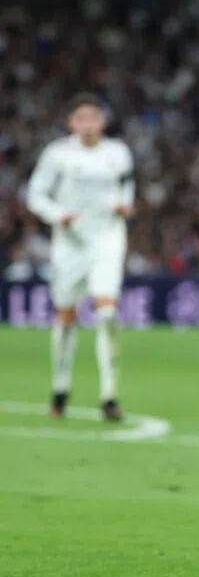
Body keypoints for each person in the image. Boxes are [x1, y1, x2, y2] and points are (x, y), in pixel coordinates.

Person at [26, 93, 135, 422]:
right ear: (72, 123)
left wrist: (123, 204)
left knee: (106, 313)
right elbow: (35, 194)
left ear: (103, 121)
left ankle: (109, 395)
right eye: (82, 118)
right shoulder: (58, 154)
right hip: (69, 243)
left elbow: (126, 186)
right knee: (65, 317)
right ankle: (60, 389)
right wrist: (58, 214)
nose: (89, 124)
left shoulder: (118, 153)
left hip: (107, 239)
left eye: (94, 118)